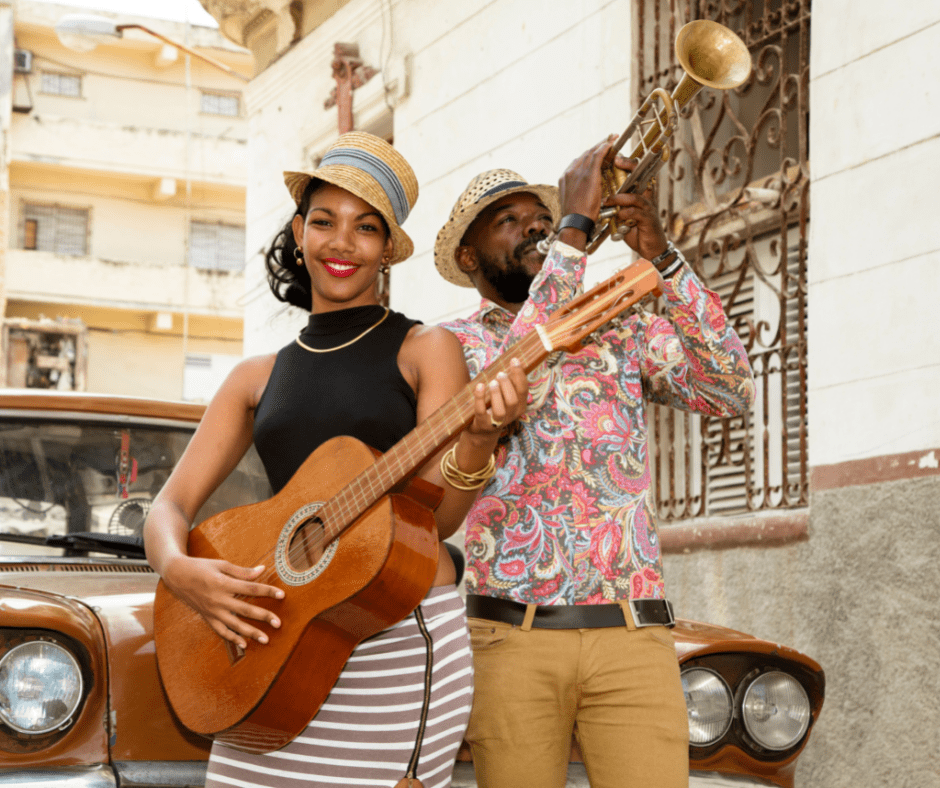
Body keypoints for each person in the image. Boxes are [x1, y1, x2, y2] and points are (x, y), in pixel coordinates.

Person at [144, 131, 529, 788]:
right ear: (300, 232)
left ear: (386, 251)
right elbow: (169, 507)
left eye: (366, 228)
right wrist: (181, 571)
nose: (341, 243)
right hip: (272, 646)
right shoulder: (254, 377)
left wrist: (475, 440)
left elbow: (433, 521)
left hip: (397, 644)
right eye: (323, 221)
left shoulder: (424, 349)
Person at [433, 141, 756, 788]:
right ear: (468, 258)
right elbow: (530, 360)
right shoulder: (450, 346)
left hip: (633, 635)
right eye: (508, 220)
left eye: (542, 216)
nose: (535, 226)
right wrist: (573, 240)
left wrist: (662, 256)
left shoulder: (621, 327)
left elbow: (731, 388)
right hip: (509, 640)